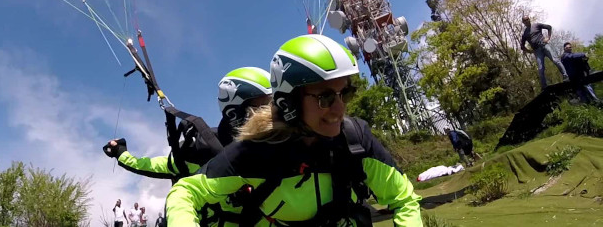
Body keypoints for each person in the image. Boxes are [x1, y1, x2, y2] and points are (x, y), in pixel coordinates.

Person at [166, 34, 422, 226]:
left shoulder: (354, 138)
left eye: (345, 93)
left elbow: (403, 199)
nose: (339, 109)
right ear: (289, 103)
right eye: (325, 98)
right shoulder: (257, 150)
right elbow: (186, 192)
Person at [103, 67, 273, 225]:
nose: (274, 113)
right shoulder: (198, 150)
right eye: (264, 106)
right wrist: (120, 152)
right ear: (234, 112)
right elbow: (151, 166)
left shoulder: (278, 146)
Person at [520, 15, 568, 89]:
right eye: (525, 20)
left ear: (529, 19)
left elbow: (549, 27)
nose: (527, 21)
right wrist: (530, 51)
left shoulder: (536, 25)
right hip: (537, 51)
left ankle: (566, 76)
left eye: (528, 19)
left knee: (555, 60)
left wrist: (548, 37)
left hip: (544, 45)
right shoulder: (525, 33)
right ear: (523, 22)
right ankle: (544, 86)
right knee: (541, 68)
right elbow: (522, 46)